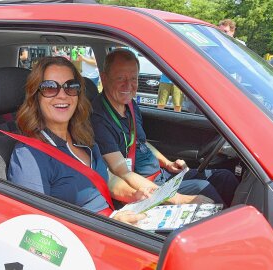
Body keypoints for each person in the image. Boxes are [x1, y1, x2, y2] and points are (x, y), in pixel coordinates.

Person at [91, 49, 239, 207]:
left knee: (225, 178)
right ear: (104, 78)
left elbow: (141, 142)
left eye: (133, 78)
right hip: (144, 187)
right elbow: (122, 172)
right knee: (205, 190)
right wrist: (177, 198)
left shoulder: (130, 105)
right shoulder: (99, 119)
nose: (128, 85)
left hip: (161, 175)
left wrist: (168, 164)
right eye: (121, 78)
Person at [7, 56, 145, 224]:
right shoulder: (29, 156)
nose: (62, 95)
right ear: (36, 96)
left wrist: (137, 195)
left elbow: (104, 179)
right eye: (50, 88)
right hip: (91, 238)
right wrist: (110, 223)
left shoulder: (84, 138)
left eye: (70, 87)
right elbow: (38, 230)